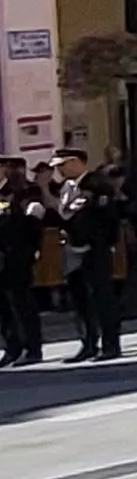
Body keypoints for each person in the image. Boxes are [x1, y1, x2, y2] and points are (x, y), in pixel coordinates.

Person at [47, 150, 122, 362]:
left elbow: (105, 218)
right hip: (73, 248)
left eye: (62, 165)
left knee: (101, 297)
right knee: (80, 300)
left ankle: (110, 344)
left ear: (76, 162)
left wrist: (101, 243)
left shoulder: (96, 185)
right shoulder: (67, 187)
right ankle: (88, 343)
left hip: (94, 249)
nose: (59, 170)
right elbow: (65, 214)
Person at [0, 157, 43, 367]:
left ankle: (32, 347)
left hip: (16, 254)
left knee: (21, 302)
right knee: (3, 307)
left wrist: (31, 250)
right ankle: (11, 347)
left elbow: (31, 224)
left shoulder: (23, 191)